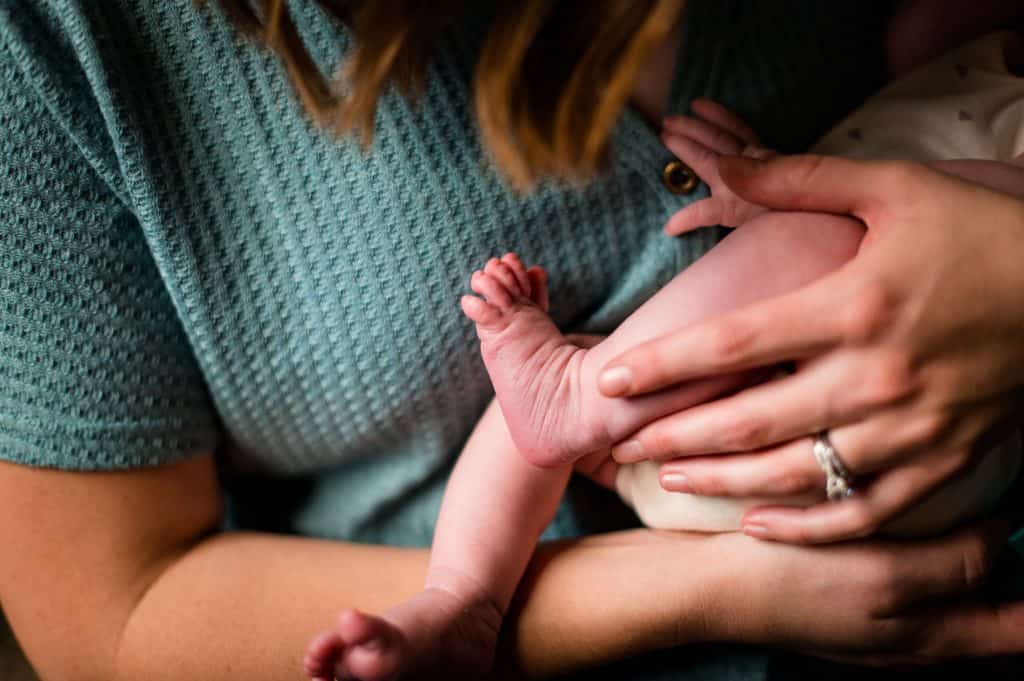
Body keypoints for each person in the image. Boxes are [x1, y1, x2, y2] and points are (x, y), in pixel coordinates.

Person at [2, 2, 1024, 681]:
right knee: (821, 235)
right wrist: (734, 589)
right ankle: (473, 572)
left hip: (883, 478)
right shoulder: (56, 45)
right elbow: (111, 618)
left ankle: (475, 571)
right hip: (766, 502)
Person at [302, 31, 1024, 680]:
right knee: (541, 424)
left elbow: (967, 220)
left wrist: (797, 193)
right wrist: (778, 182)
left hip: (905, 430)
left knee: (837, 241)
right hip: (769, 500)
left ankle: (567, 411)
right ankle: (461, 597)